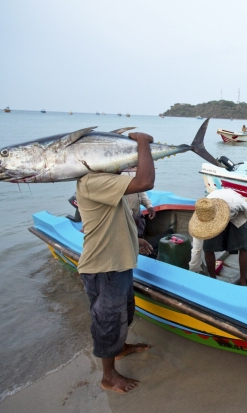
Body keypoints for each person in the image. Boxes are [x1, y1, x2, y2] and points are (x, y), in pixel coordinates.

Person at [76, 132, 155, 394]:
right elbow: (145, 181)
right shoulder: (93, 181)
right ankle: (108, 377)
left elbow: (118, 220)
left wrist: (137, 241)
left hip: (119, 263)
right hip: (103, 267)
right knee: (107, 321)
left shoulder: (110, 180)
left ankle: (119, 349)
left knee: (123, 314)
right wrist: (142, 143)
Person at [188, 189, 247, 286]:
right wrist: (193, 268)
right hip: (212, 220)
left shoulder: (235, 202)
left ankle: (242, 280)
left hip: (237, 215)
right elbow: (197, 247)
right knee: (208, 248)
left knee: (244, 247)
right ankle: (212, 279)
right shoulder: (204, 211)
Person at [122, 168, 156, 237]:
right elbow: (118, 198)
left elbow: (140, 190)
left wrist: (149, 206)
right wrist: (130, 218)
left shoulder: (133, 170)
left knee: (139, 240)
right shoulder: (116, 174)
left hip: (136, 215)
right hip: (124, 219)